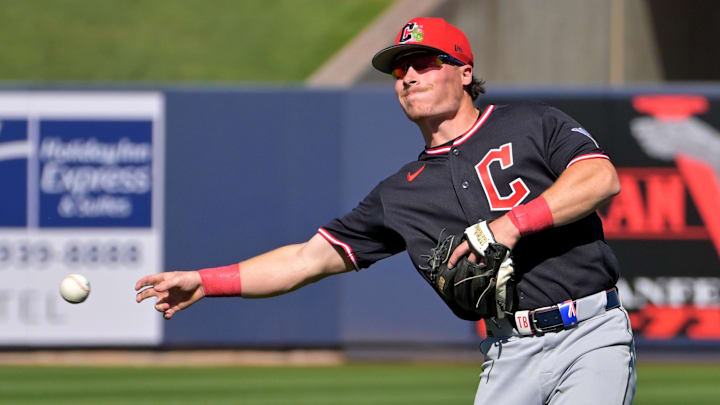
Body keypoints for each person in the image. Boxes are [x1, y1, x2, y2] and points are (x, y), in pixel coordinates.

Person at [136, 17, 636, 405]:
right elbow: (307, 259)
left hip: (588, 333)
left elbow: (599, 178)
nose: (409, 76)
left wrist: (510, 225)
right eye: (400, 69)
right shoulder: (401, 194)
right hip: (507, 351)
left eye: (424, 62)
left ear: (465, 72)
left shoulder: (532, 122)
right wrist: (207, 280)